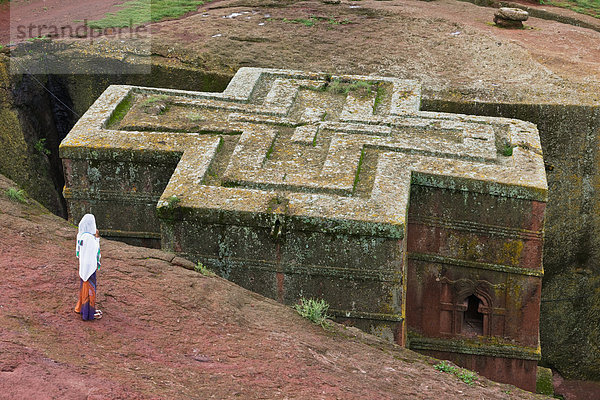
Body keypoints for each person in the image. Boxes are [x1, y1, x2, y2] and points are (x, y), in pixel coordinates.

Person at [74, 214, 102, 320]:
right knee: (90, 288)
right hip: (90, 266)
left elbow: (78, 253)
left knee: (84, 287)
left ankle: (81, 308)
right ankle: (89, 313)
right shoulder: (90, 238)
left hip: (83, 266)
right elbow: (96, 251)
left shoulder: (80, 235)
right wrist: (97, 238)